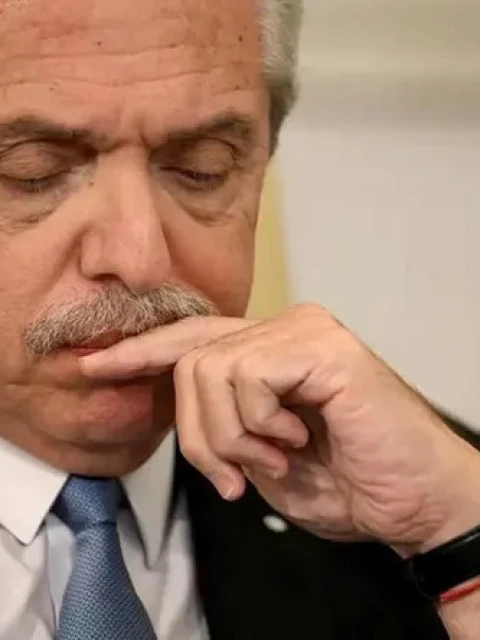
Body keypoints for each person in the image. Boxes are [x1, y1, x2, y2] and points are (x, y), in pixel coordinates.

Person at [0, 0, 478, 638]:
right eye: (33, 172)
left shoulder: (432, 500)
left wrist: (462, 543)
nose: (141, 258)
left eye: (202, 168)